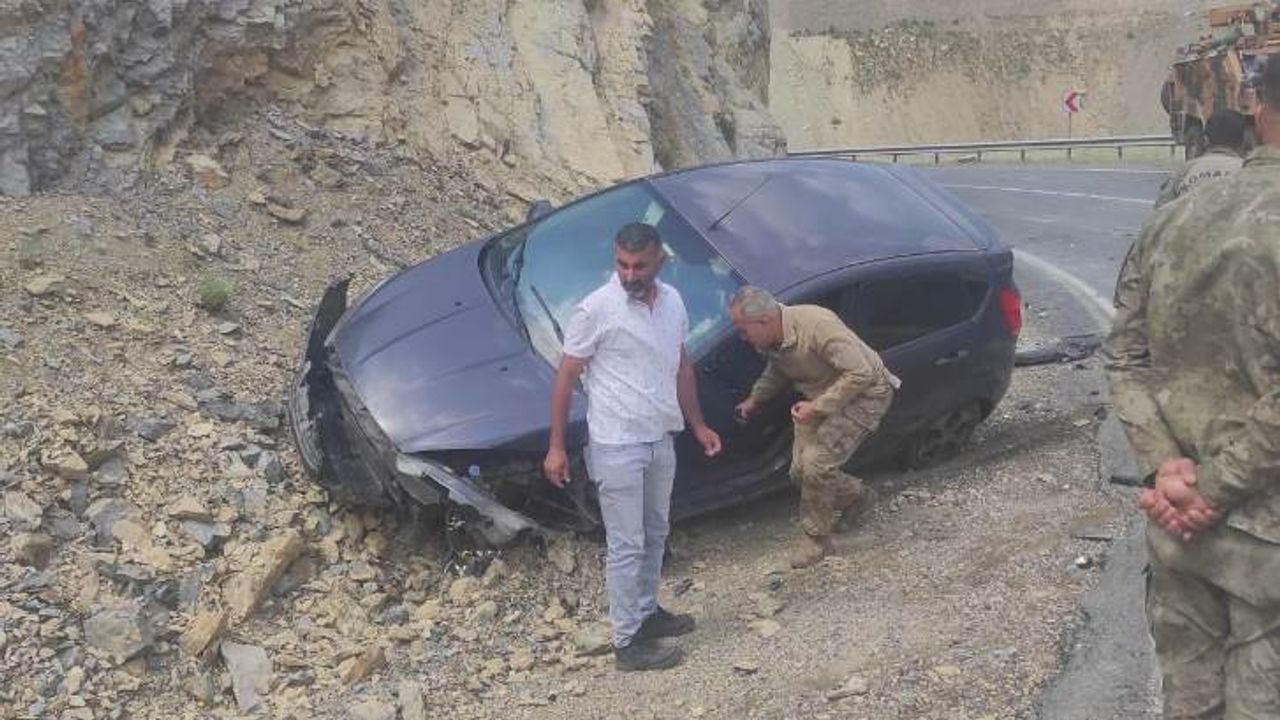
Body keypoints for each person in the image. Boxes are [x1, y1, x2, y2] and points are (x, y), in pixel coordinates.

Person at [1104, 53, 1280, 719]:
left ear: (1259, 112)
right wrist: (1215, 488)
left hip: (1178, 530)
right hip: (1264, 542)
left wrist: (1167, 467)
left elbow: (1124, 357)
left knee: (1190, 704)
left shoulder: (1171, 219)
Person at [543, 222, 721, 672]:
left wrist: (698, 424)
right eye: (622, 264)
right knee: (627, 544)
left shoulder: (673, 301)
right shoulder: (596, 309)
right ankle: (627, 642)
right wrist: (556, 447)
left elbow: (681, 366)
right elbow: (566, 377)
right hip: (616, 444)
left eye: (639, 266)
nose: (629, 274)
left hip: (661, 436)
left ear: (659, 260)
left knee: (656, 532)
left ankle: (647, 612)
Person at [729, 287, 898, 569]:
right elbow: (777, 368)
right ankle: (858, 497)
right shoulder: (773, 339)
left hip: (865, 394)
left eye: (743, 330)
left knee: (816, 464)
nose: (741, 338)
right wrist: (754, 399)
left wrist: (817, 407)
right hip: (819, 398)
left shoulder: (817, 326)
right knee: (800, 472)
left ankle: (816, 541)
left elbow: (861, 373)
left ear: (765, 321)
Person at [1155, 109, 1248, 207]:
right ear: (1243, 143)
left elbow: (1161, 210)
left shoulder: (1184, 172)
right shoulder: (1247, 170)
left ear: (1205, 140)